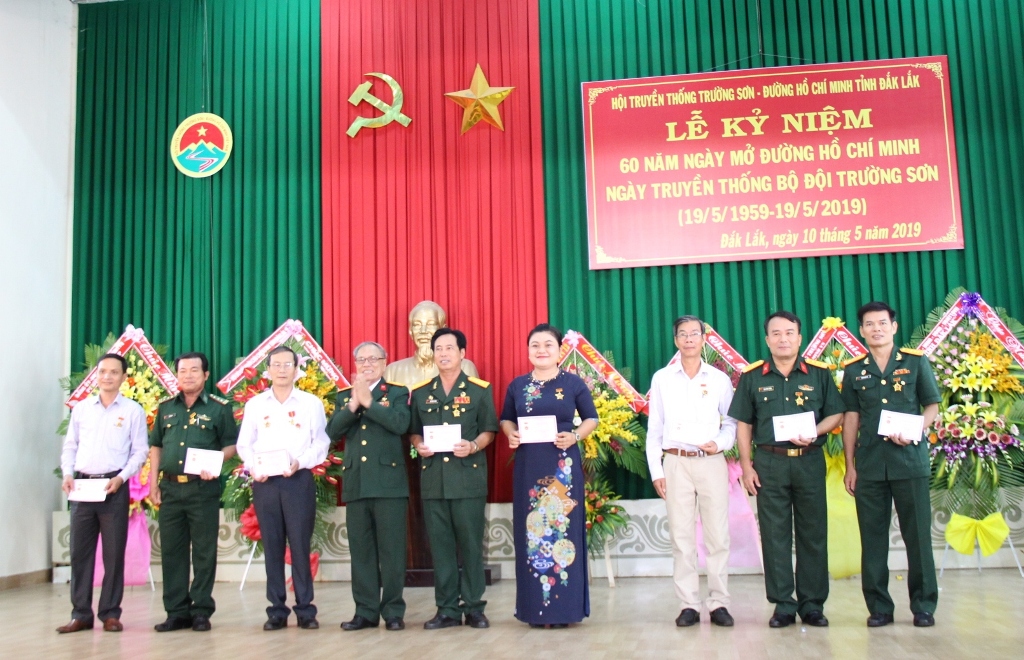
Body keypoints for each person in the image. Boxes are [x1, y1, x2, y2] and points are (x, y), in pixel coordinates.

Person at [728, 311, 844, 628]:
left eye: (789, 333)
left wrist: (816, 431)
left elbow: (836, 415)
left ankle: (812, 604)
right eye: (776, 333)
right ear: (767, 339)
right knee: (775, 536)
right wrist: (746, 466)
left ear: (799, 337)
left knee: (813, 534)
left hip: (808, 461)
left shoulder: (819, 374)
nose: (783, 339)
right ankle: (782, 604)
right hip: (769, 463)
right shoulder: (752, 377)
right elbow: (743, 425)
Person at [841, 301, 941, 628]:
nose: (876, 329)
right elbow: (851, 419)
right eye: (869, 324)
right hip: (870, 465)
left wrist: (915, 430)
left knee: (918, 539)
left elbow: (932, 406)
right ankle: (879, 608)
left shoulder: (914, 363)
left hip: (909, 462)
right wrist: (850, 465)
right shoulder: (855, 370)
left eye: (882, 323)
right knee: (872, 540)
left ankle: (923, 606)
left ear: (893, 327)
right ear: (861, 331)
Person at [500, 323, 598, 628]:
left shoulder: (573, 383)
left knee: (561, 533)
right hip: (529, 468)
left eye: (547, 345)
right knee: (531, 534)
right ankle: (534, 610)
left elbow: (592, 418)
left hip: (562, 469)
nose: (541, 350)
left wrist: (576, 436)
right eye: (535, 345)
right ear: (528, 350)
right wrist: (512, 435)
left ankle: (565, 611)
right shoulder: (517, 385)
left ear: (559, 350)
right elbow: (506, 419)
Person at [646, 315, 737, 628]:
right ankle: (688, 604)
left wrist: (720, 443)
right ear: (675, 340)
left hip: (711, 461)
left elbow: (732, 422)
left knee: (717, 536)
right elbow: (654, 427)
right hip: (675, 462)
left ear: (703, 339)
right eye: (682, 334)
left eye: (694, 334)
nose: (688, 339)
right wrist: (656, 469)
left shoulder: (719, 379)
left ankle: (719, 603)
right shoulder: (662, 378)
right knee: (681, 537)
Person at [236, 345, 330, 631]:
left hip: (297, 480)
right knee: (273, 546)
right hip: (266, 483)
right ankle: (276, 609)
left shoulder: (310, 403)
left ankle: (305, 610)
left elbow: (321, 443)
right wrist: (254, 467)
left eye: (287, 364)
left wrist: (300, 462)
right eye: (275, 365)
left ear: (296, 368)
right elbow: (244, 444)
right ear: (268, 370)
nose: (281, 370)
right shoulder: (255, 405)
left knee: (300, 546)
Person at [409, 328, 498, 629]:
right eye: (438, 348)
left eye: (450, 348)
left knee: (471, 545)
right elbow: (413, 429)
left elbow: (490, 429)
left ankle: (474, 607)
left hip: (468, 479)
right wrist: (417, 445)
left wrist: (474, 445)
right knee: (441, 547)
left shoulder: (478, 389)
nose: (443, 353)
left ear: (462, 353)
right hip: (434, 480)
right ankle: (446, 608)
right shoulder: (421, 392)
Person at [57, 353, 149, 634]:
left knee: (113, 554)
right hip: (83, 488)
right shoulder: (82, 409)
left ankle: (110, 612)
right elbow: (70, 446)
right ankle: (81, 613)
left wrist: (122, 478)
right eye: (102, 372)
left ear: (123, 377)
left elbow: (140, 451)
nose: (107, 376)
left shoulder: (133, 411)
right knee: (80, 554)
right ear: (95, 376)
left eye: (113, 372)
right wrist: (68, 473)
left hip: (114, 488)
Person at [149, 351, 238, 632]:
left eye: (194, 370)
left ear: (206, 375)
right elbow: (156, 447)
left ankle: (201, 610)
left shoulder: (219, 408)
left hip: (203, 489)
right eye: (183, 370)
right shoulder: (165, 408)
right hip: (170, 488)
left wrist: (215, 462)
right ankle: (176, 611)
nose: (188, 375)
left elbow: (231, 445)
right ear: (176, 375)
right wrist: (153, 482)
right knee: (172, 552)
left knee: (203, 551)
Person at [327, 341, 411, 632]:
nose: (367, 364)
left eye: (373, 359)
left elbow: (401, 424)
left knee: (392, 552)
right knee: (361, 552)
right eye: (361, 359)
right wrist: (353, 404)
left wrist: (370, 404)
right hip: (357, 483)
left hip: (389, 484)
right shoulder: (342, 396)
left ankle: (393, 612)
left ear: (384, 362)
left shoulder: (397, 393)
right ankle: (364, 611)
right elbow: (333, 431)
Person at [383, 300, 478, 386]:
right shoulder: (393, 371)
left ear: (442, 329)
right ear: (411, 331)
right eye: (417, 325)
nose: (423, 331)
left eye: (431, 324)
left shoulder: (464, 367)